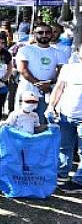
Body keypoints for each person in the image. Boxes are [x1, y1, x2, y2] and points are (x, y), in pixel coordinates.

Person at [47, 45, 82, 192]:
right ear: (78, 52)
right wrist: (51, 106)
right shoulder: (68, 68)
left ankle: (79, 181)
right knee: (64, 147)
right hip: (65, 115)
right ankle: (61, 176)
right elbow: (59, 88)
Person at [17, 23, 65, 123]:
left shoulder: (59, 53)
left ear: (51, 34)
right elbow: (22, 70)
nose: (44, 35)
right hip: (27, 91)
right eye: (40, 32)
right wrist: (38, 84)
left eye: (47, 32)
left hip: (48, 92)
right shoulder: (25, 50)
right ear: (34, 34)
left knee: (43, 123)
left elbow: (62, 72)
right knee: (22, 122)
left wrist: (50, 83)